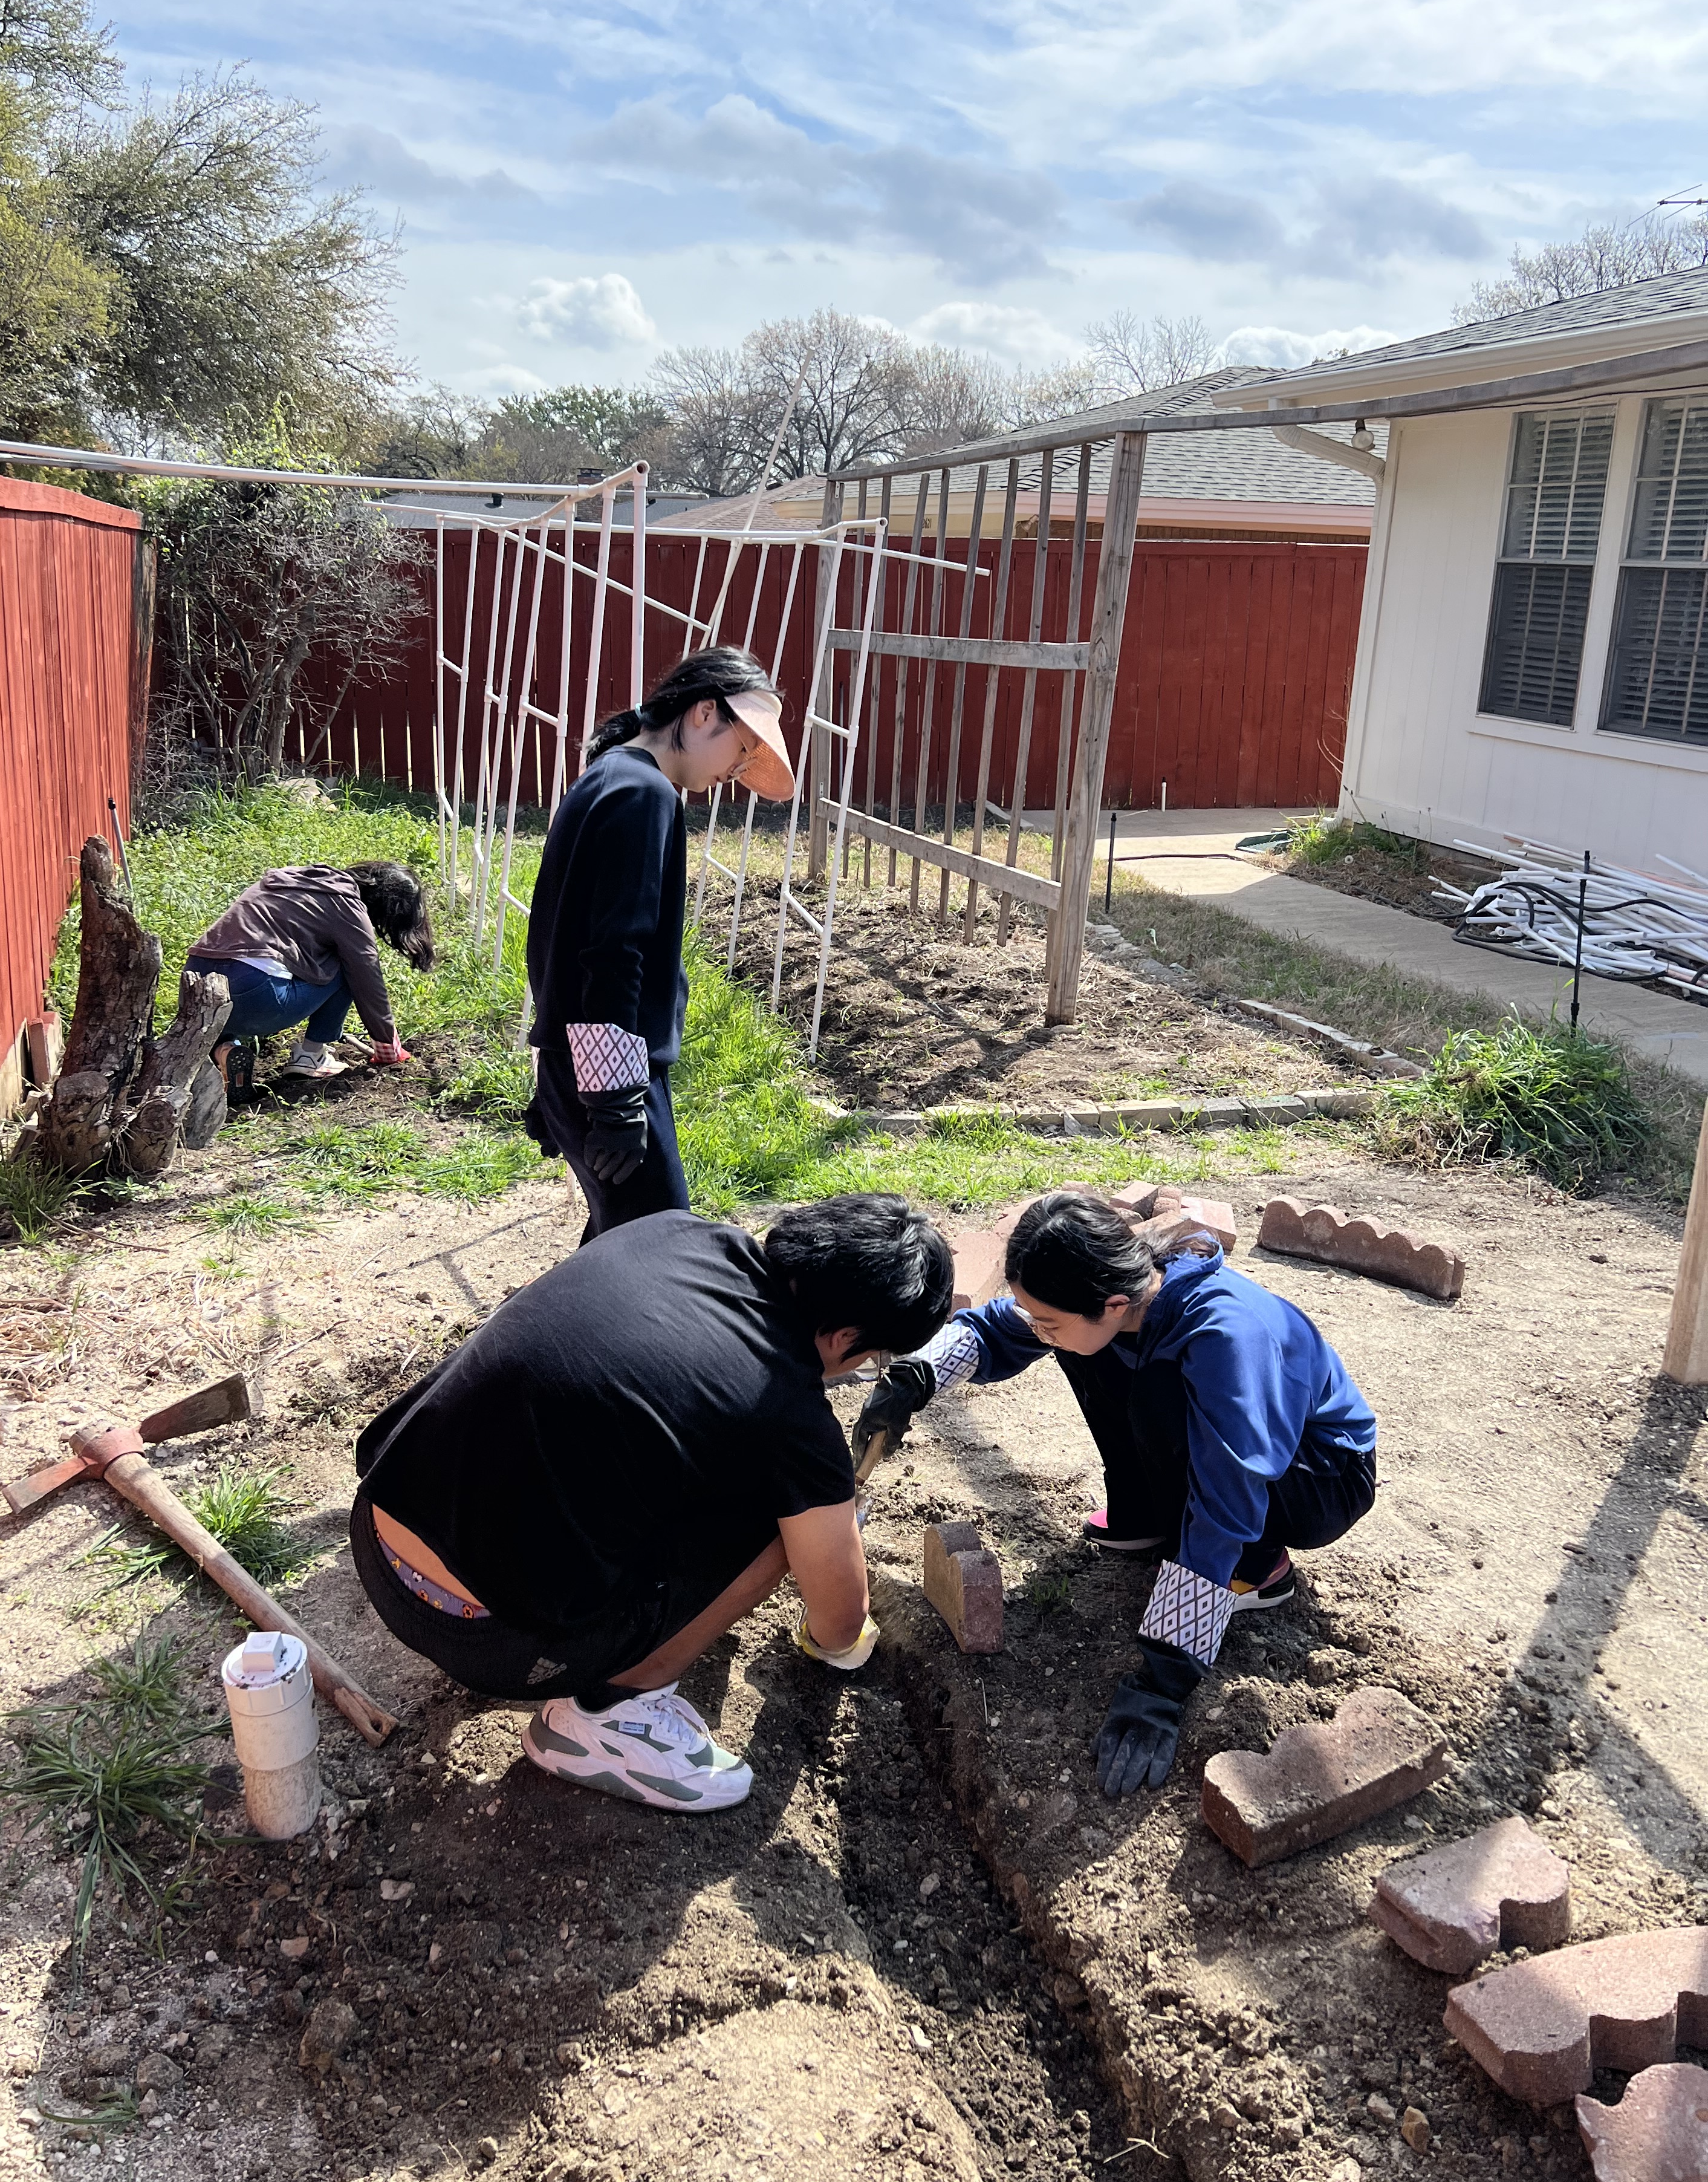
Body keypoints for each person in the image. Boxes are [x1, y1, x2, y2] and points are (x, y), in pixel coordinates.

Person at [349, 1194, 953, 1814]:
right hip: (482, 1637)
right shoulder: (791, 1415)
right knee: (784, 1517)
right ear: (847, 1337)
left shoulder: (672, 1231)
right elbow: (840, 1626)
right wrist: (836, 1537)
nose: (864, 1368)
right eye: (874, 1358)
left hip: (378, 1533)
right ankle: (605, 1719)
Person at [852, 1191, 1377, 1800]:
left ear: (1115, 1303)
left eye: (1048, 1318)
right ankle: (1147, 1516)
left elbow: (1227, 1501)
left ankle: (1259, 1568)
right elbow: (999, 1328)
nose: (1036, 1328)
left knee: (1158, 1391)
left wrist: (1164, 1681)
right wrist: (917, 1375)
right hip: (1238, 1452)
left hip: (1317, 1478)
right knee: (1085, 1349)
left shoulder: (1225, 1340)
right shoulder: (1114, 1296)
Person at [523, 648, 794, 1239]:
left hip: (583, 1063)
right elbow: (615, 954)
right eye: (743, 746)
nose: (738, 769)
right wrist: (615, 1100)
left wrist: (562, 1074)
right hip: (612, 1071)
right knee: (657, 1246)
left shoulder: (610, 774)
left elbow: (553, 938)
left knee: (621, 1242)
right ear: (704, 713)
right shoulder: (645, 793)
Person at [187, 860, 434, 1081]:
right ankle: (311, 1055)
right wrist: (387, 1044)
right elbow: (367, 978)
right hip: (258, 996)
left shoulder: (286, 880)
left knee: (233, 997)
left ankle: (224, 1050)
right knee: (348, 964)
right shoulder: (347, 905)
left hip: (197, 988)